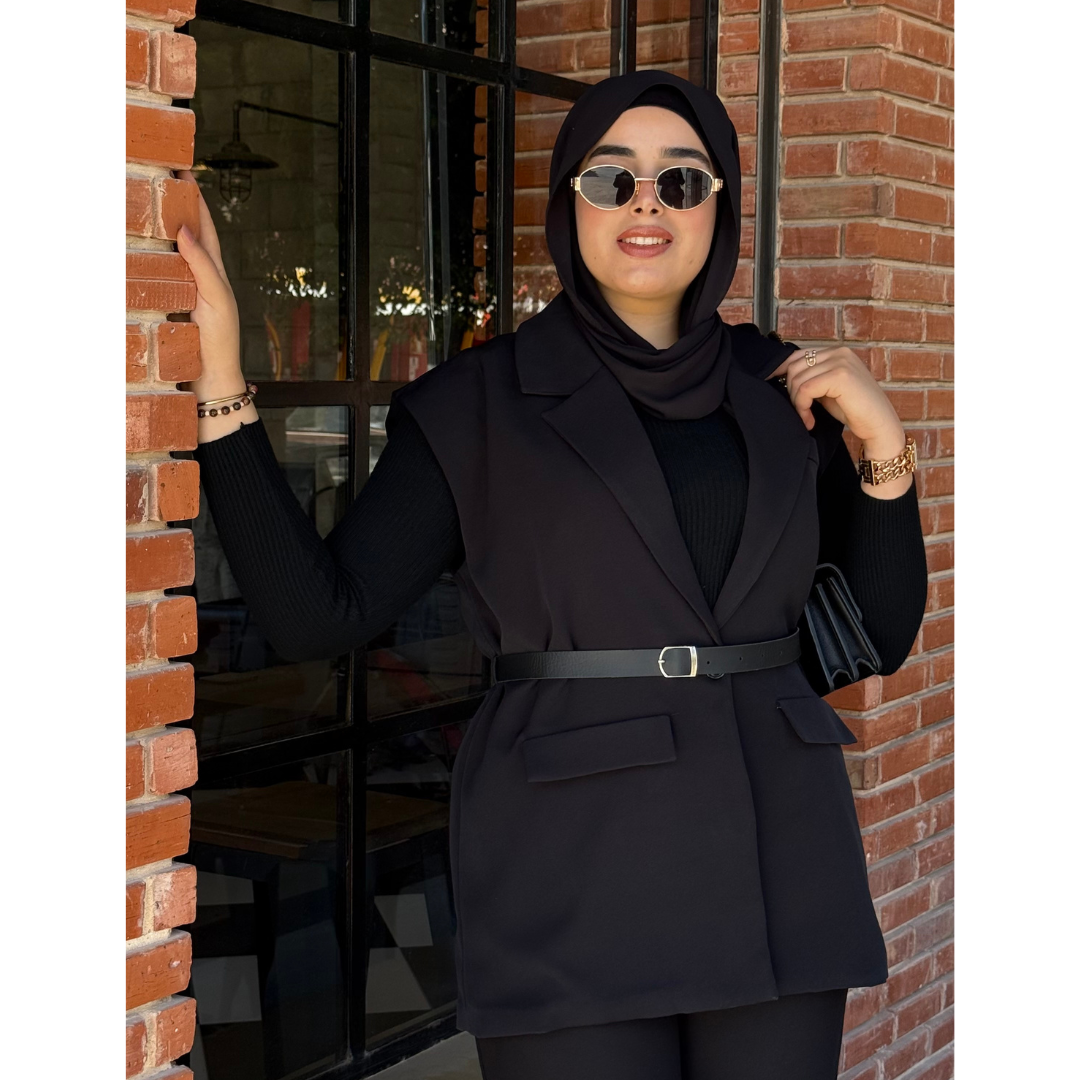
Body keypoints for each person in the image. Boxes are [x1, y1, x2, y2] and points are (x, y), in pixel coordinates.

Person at [177, 70, 927, 1080]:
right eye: (611, 179)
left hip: (778, 850)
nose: (647, 203)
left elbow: (877, 635)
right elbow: (319, 614)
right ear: (569, 203)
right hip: (572, 861)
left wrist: (885, 449)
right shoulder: (479, 403)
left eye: (682, 179)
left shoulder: (784, 389)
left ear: (720, 207)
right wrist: (222, 382)